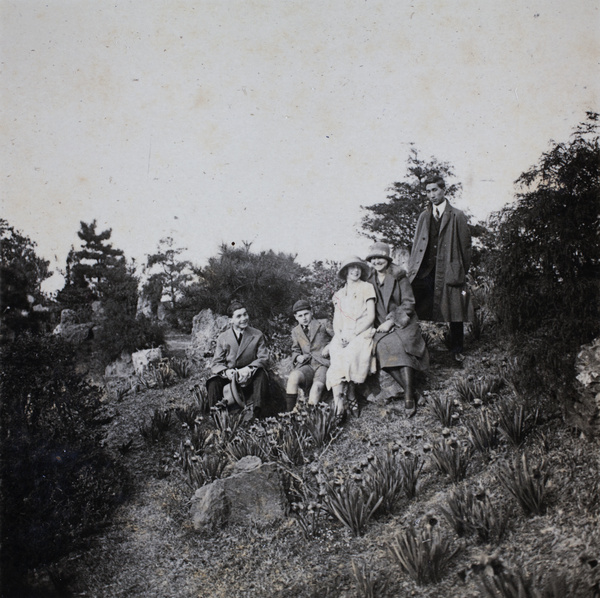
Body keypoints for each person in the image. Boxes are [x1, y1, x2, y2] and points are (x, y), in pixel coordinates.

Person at [408, 174, 473, 362]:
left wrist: (460, 270)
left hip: (449, 271)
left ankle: (457, 350)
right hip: (425, 270)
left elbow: (466, 247)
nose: (431, 195)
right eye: (428, 191)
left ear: (444, 190)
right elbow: (416, 245)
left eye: (435, 190)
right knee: (410, 304)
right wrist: (414, 268)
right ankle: (414, 348)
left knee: (455, 311)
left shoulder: (457, 215)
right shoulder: (424, 216)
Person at [365, 242, 429, 415]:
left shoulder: (399, 276)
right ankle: (414, 392)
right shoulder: (368, 279)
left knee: (402, 347)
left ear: (387, 258)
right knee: (382, 349)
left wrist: (392, 321)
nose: (377, 261)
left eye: (380, 257)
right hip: (380, 326)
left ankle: (408, 396)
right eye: (374, 258)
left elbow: (409, 303)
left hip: (403, 322)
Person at [324, 256, 376, 417]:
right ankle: (339, 403)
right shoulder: (339, 294)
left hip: (362, 331)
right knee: (336, 353)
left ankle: (351, 393)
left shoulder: (367, 287)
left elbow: (371, 317)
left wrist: (353, 334)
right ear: (345, 271)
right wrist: (339, 336)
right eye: (352, 267)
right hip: (343, 333)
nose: (355, 271)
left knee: (350, 354)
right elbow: (337, 319)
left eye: (358, 267)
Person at [206, 300, 270, 418]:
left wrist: (249, 368)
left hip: (250, 374)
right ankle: (216, 416)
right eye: (239, 316)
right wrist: (226, 372)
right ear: (231, 320)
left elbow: (264, 357)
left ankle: (258, 414)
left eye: (245, 314)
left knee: (261, 375)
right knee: (213, 382)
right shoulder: (223, 337)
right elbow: (216, 363)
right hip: (231, 376)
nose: (244, 318)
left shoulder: (257, 335)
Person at [285, 300, 332, 411]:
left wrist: (329, 346)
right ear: (296, 317)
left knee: (316, 387)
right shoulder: (296, 331)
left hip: (323, 363)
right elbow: (295, 349)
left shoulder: (324, 323)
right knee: (293, 377)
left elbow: (338, 338)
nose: (304, 318)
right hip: (308, 364)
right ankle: (289, 414)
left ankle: (309, 417)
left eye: (306, 314)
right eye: (300, 316)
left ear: (311, 312)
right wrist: (297, 357)